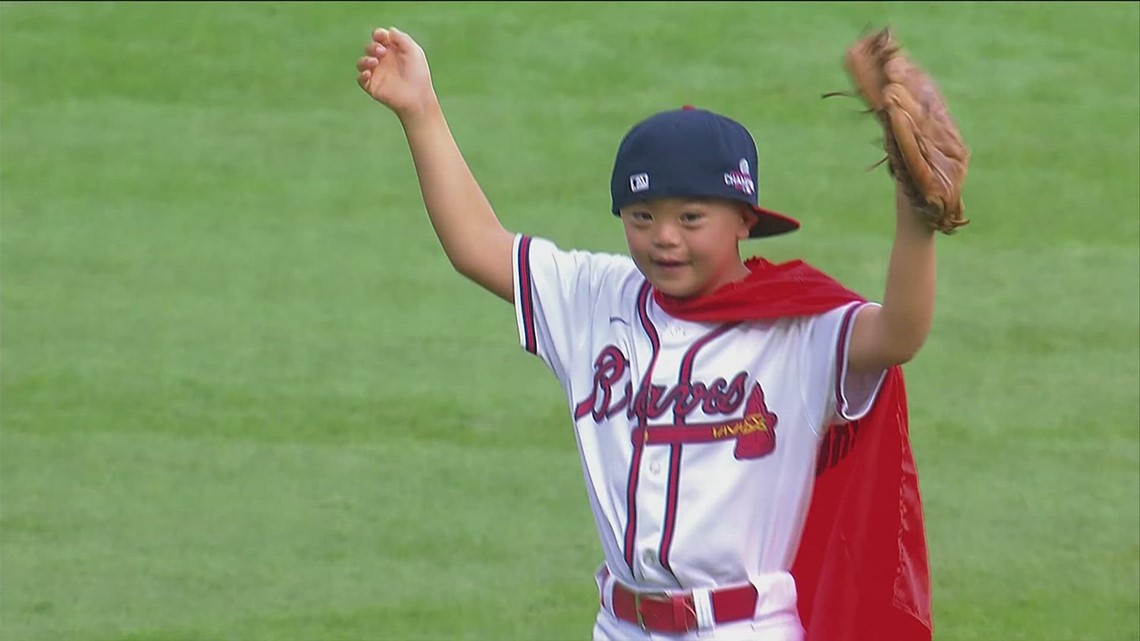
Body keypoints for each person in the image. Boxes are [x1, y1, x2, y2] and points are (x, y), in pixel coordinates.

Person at [356, 25, 934, 641]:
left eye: (691, 218)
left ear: (744, 219)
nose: (664, 237)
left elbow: (898, 333)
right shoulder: (594, 298)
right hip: (620, 625)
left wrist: (915, 211)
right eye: (642, 217)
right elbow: (478, 247)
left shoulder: (798, 327)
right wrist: (420, 109)